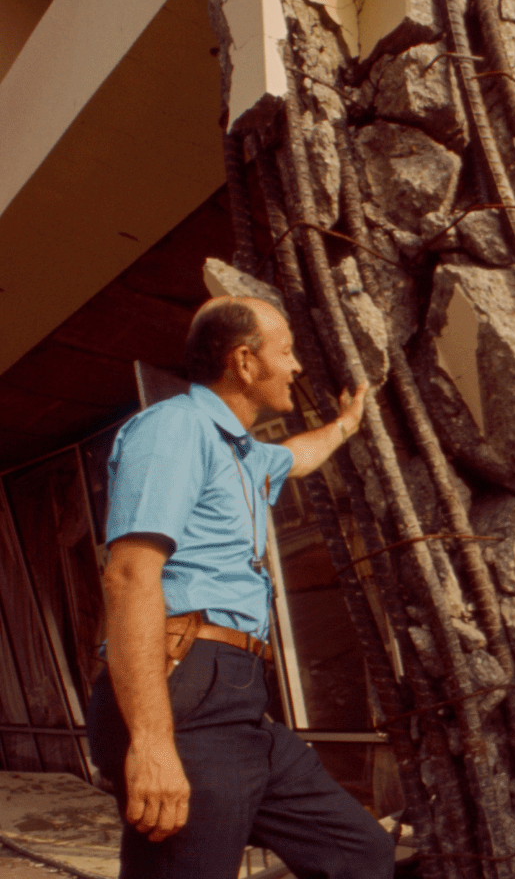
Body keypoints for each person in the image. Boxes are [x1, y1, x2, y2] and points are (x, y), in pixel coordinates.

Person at [89, 296, 391, 878]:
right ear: (245, 362)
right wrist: (152, 745)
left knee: (360, 853)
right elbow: (128, 576)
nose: (297, 366)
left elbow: (296, 458)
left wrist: (347, 425)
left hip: (239, 697)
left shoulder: (242, 457)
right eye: (287, 352)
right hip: (183, 684)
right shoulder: (175, 427)